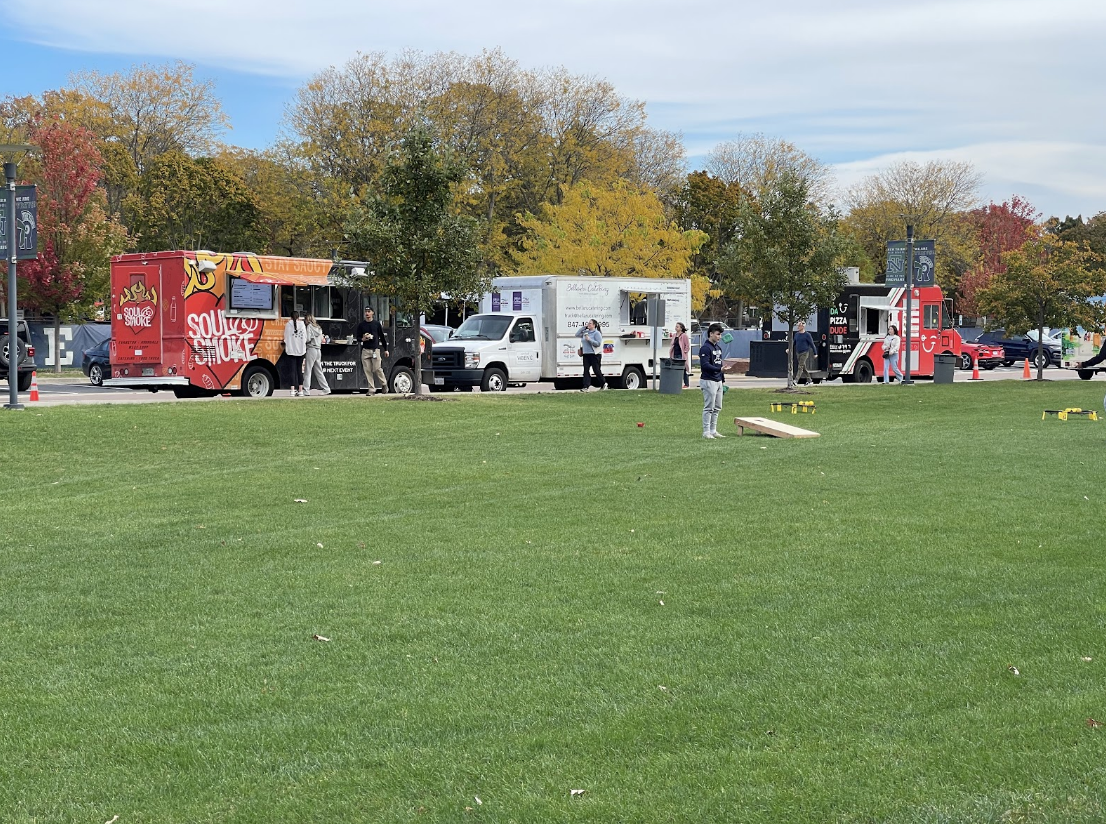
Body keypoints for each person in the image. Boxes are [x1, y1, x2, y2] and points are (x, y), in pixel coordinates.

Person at [699, 323, 726, 439]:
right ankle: (706, 432)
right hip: (708, 380)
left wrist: (722, 379)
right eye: (717, 334)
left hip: (718, 380)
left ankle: (713, 430)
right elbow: (705, 365)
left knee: (717, 407)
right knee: (709, 407)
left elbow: (720, 364)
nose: (719, 337)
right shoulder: (705, 348)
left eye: (720, 335)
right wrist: (718, 369)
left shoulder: (718, 348)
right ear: (711, 334)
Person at [354, 307, 389, 394]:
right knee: (367, 370)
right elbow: (357, 337)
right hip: (365, 350)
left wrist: (386, 349)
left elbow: (382, 337)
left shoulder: (376, 324)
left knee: (377, 368)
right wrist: (363, 339)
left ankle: (384, 384)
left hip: (375, 350)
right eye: (366, 312)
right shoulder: (361, 325)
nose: (367, 313)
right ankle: (371, 389)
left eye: (369, 312)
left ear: (372, 313)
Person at [303, 314, 331, 396]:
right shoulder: (319, 328)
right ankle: (326, 388)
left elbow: (308, 339)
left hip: (311, 349)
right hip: (318, 350)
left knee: (307, 371)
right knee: (319, 371)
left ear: (307, 320)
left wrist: (303, 339)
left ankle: (306, 390)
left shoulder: (309, 327)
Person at [575, 318, 606, 391]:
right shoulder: (585, 332)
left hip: (594, 354)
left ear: (594, 325)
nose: (588, 324)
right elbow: (577, 334)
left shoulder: (596, 333)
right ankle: (586, 386)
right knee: (586, 370)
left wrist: (589, 340)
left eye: (590, 323)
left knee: (596, 370)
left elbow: (598, 343)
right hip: (586, 354)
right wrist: (584, 327)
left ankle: (603, 383)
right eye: (588, 323)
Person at [283, 310, 308, 397]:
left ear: (290, 317)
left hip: (290, 351)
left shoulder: (287, 325)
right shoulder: (302, 325)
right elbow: (305, 338)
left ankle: (292, 390)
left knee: (292, 371)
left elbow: (285, 338)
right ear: (298, 317)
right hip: (301, 351)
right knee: (299, 371)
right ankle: (300, 390)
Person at [669, 321, 692, 388]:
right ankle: (677, 383)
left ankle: (686, 384)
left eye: (677, 326)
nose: (676, 328)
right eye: (675, 326)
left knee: (683, 369)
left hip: (681, 355)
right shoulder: (674, 335)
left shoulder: (684, 336)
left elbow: (687, 345)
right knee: (675, 369)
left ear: (681, 328)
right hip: (674, 354)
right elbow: (672, 344)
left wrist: (685, 352)